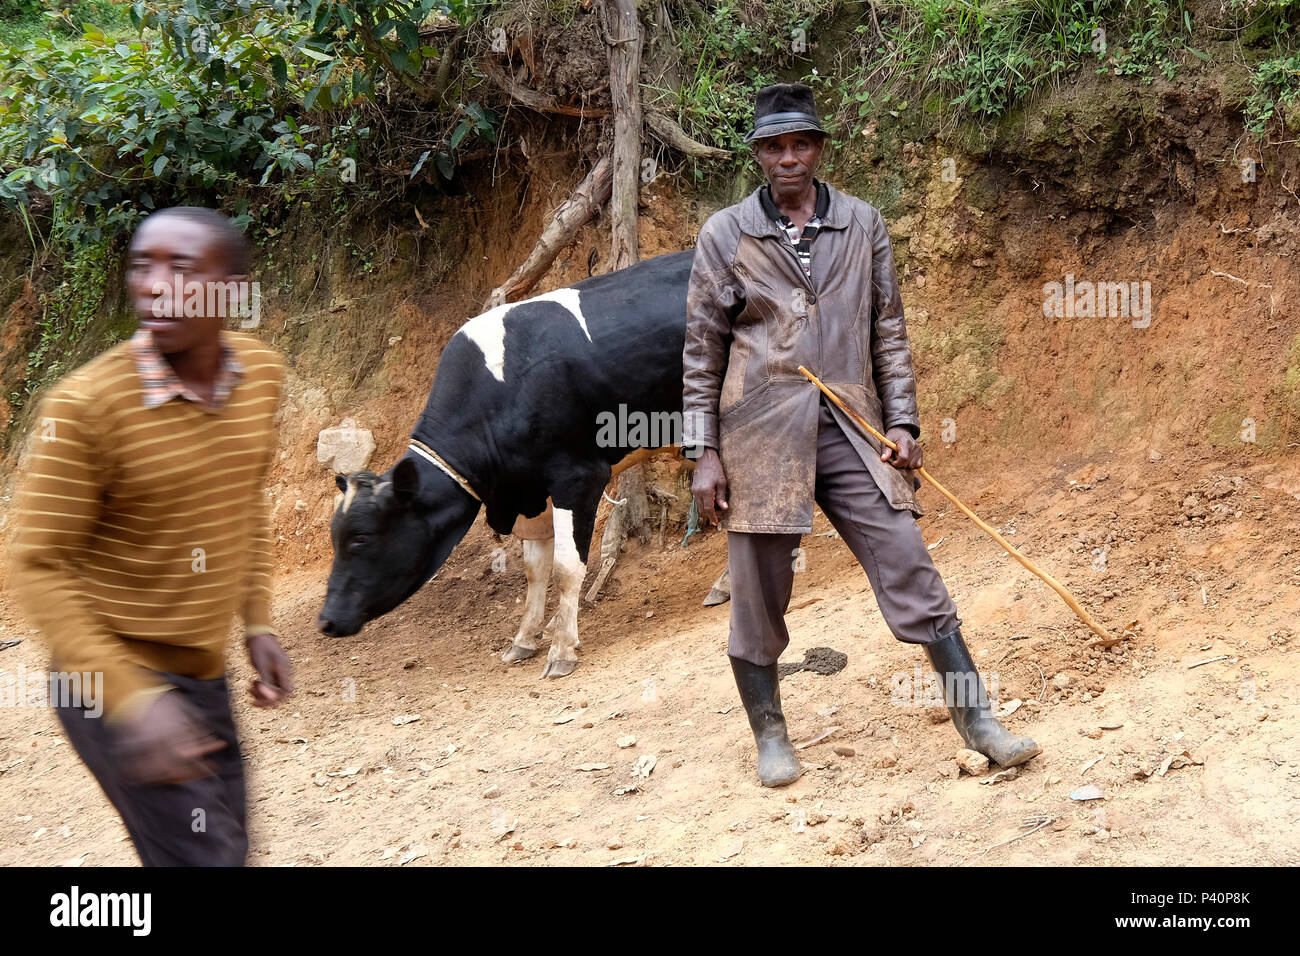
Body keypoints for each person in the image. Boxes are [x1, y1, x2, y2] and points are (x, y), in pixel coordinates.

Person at [682, 83, 1041, 787]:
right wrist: (704, 451)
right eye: (774, 147)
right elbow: (701, 349)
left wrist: (903, 421)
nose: (789, 158)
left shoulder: (862, 223)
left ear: (818, 149)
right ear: (758, 154)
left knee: (908, 559)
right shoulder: (724, 234)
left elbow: (888, 331)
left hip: (851, 425)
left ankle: (979, 721)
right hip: (758, 435)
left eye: (801, 144)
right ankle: (772, 736)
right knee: (757, 593)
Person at [10, 206, 292, 863]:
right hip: (104, 680)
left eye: (183, 268)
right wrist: (132, 700)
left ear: (232, 290)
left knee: (227, 850)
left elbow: (241, 499)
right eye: (143, 265)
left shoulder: (260, 377)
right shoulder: (86, 408)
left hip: (200, 675)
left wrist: (256, 622)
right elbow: (38, 564)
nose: (154, 284)